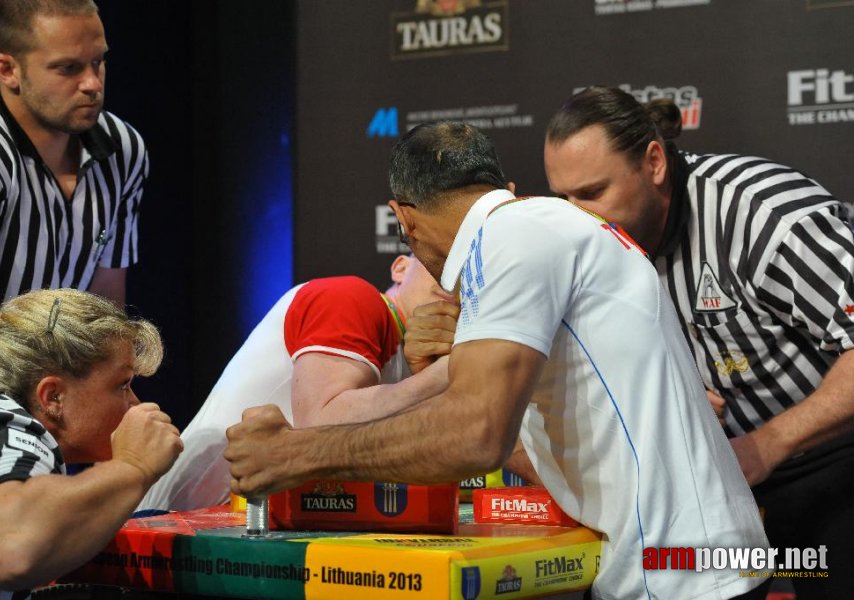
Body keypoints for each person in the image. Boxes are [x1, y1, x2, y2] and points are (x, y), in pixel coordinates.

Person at [223, 122, 770, 600]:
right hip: (696, 561)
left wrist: (300, 453)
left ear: (403, 219)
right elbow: (544, 438)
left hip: (676, 575)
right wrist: (447, 373)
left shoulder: (510, 234)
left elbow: (474, 436)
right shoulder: (549, 227)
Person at [543, 85, 854, 599]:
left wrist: (767, 445)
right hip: (720, 480)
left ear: (655, 162)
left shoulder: (765, 215)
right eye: (564, 198)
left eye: (593, 193)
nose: (578, 218)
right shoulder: (584, 244)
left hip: (832, 460)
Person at [138, 254, 458, 511]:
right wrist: (446, 373)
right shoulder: (349, 297)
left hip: (251, 528)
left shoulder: (413, 363)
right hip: (177, 525)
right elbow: (321, 429)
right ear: (400, 267)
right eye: (442, 259)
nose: (455, 279)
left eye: (471, 275)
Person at [0, 0, 148, 379]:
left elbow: (106, 299)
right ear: (8, 70)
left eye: (99, 62)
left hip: (57, 396)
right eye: (68, 68)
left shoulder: (123, 149)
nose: (92, 83)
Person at [0, 288, 182, 597]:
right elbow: (11, 547)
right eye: (123, 384)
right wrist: (134, 466)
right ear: (53, 397)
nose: (135, 403)